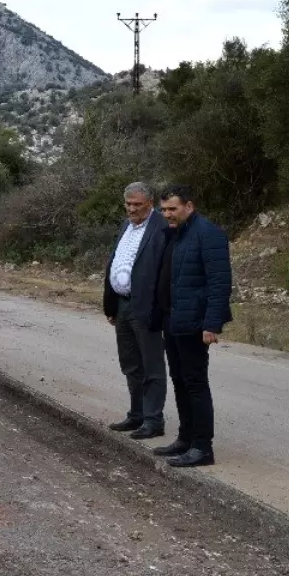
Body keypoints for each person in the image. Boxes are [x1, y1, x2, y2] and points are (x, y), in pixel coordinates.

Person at [151, 183, 233, 467]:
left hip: (195, 322)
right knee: (179, 380)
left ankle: (202, 447)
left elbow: (219, 282)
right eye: (163, 210)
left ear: (189, 206)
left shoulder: (208, 234)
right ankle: (185, 438)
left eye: (172, 209)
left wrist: (212, 323)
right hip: (173, 320)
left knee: (196, 384)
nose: (168, 214)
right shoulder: (174, 234)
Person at [103, 181, 168, 440]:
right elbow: (114, 264)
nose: (132, 209)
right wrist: (111, 306)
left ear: (150, 204)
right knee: (130, 363)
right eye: (128, 204)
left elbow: (165, 270)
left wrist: (161, 306)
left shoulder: (160, 227)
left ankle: (154, 420)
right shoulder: (126, 226)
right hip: (123, 304)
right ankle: (137, 414)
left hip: (147, 306)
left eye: (137, 205)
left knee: (151, 364)